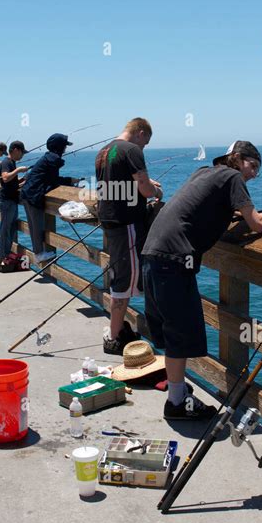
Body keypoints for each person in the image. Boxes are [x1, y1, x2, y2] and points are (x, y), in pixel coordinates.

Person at [142, 140, 262, 421]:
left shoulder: (203, 172)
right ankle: (176, 403)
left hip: (153, 253)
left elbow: (203, 208)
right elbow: (257, 223)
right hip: (174, 259)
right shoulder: (233, 177)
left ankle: (176, 391)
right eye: (252, 166)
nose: (253, 174)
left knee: (172, 330)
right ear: (236, 158)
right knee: (180, 334)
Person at [95, 118, 163, 354]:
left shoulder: (103, 151)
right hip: (127, 224)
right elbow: (144, 188)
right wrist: (156, 191)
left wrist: (142, 185)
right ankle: (114, 338)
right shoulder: (132, 150)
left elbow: (115, 184)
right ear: (141, 133)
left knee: (120, 275)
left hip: (109, 219)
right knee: (125, 282)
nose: (143, 148)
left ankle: (115, 329)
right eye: (146, 143)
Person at [20, 133, 80, 265]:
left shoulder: (47, 157)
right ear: (60, 147)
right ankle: (39, 254)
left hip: (27, 193)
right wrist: (70, 180)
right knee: (37, 226)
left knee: (33, 225)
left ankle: (38, 252)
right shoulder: (53, 159)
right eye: (64, 146)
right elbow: (54, 181)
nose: (65, 149)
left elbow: (49, 179)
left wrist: (67, 180)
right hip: (33, 195)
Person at [0, 141, 29, 264]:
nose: (22, 156)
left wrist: (23, 180)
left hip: (11, 200)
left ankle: (5, 255)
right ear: (15, 150)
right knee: (5, 229)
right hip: (7, 201)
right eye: (21, 153)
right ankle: (1, 256)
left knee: (9, 229)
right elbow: (5, 177)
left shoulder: (12, 163)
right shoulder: (6, 162)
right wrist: (18, 170)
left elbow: (11, 181)